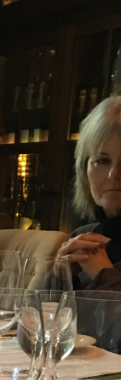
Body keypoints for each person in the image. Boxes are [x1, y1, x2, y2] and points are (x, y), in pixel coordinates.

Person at [54, 95, 121, 291]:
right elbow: (36, 317)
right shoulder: (82, 237)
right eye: (102, 161)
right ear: (84, 171)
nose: (113, 174)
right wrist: (60, 277)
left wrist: (104, 276)